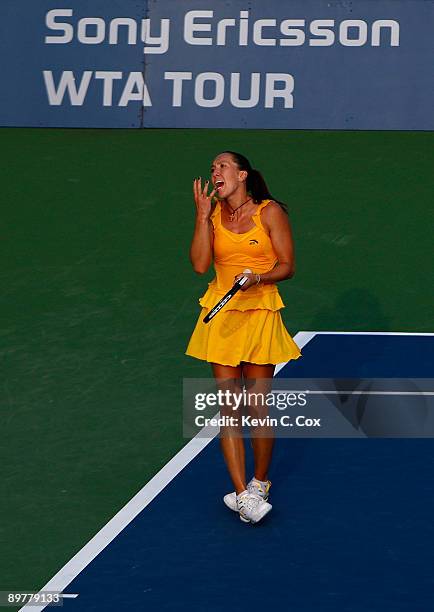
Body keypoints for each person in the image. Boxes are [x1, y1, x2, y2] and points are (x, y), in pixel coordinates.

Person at [186, 151, 301, 524]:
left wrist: (258, 277)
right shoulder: (214, 215)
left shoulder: (270, 213)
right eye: (212, 167)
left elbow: (287, 266)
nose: (214, 171)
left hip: (261, 313)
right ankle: (241, 494)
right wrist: (202, 218)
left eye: (221, 166)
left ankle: (259, 483)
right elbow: (201, 264)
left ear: (242, 174)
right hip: (221, 317)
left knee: (257, 407)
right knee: (229, 408)